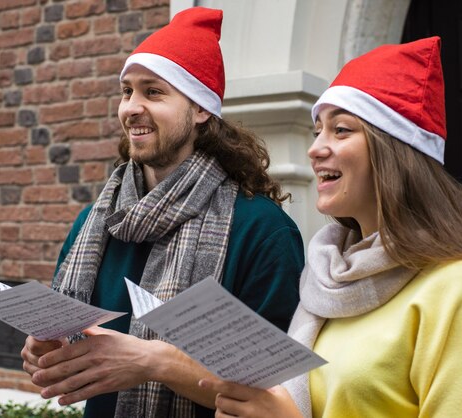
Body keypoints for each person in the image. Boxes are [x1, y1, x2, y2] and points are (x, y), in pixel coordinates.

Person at [199, 36, 462, 418]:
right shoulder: (326, 277)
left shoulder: (461, 286)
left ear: (393, 151)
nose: (315, 148)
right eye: (317, 132)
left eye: (341, 130)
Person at [19, 7, 304, 418]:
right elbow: (72, 349)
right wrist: (45, 352)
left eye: (153, 92)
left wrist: (155, 363)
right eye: (126, 91)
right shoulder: (93, 224)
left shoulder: (262, 231)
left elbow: (276, 394)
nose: (131, 107)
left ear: (201, 110)